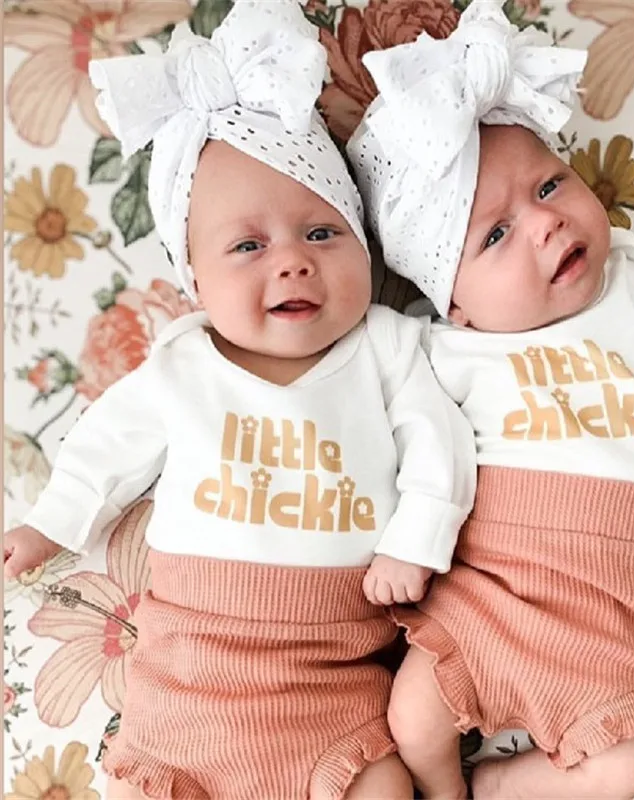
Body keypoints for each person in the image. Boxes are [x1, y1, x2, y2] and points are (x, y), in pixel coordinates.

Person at [3, 3, 476, 798]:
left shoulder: (388, 349)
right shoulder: (183, 363)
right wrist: (52, 521)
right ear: (196, 278)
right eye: (249, 246)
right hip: (187, 687)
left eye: (322, 234)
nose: (291, 263)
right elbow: (106, 444)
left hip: (332, 684)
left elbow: (441, 446)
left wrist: (416, 541)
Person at [347, 2, 634, 798]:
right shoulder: (442, 348)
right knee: (415, 714)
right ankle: (444, 787)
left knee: (631, 760)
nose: (544, 222)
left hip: (613, 612)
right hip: (494, 591)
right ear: (456, 305)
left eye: (550, 183)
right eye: (494, 234)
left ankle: (498, 788)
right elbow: (389, 419)